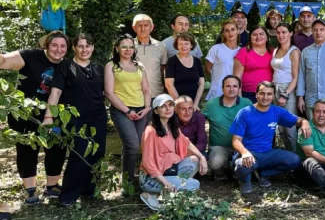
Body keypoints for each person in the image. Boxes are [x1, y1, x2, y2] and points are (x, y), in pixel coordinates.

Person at [0, 31, 69, 204]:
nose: (58, 50)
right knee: (26, 151)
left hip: (55, 115)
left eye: (63, 46)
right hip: (25, 115)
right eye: (54, 45)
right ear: (46, 45)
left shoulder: (67, 65)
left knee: (56, 149)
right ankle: (30, 191)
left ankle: (52, 187)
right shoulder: (30, 56)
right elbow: (5, 61)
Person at [45, 34, 106, 206]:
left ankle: (89, 189)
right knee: (79, 153)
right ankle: (69, 196)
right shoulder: (66, 66)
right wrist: (49, 116)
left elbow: (106, 92)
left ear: (93, 48)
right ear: (74, 48)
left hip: (98, 116)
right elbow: (55, 92)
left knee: (97, 152)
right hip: (74, 117)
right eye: (80, 46)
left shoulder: (98, 68)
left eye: (88, 46)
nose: (84, 49)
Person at [230, 81, 312, 194]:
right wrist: (244, 152)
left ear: (273, 96)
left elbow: (298, 120)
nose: (265, 97)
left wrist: (305, 123)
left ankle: (263, 174)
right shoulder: (244, 113)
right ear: (256, 94)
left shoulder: (276, 111)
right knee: (240, 166)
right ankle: (245, 181)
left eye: (269, 94)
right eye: (262, 93)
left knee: (294, 160)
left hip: (267, 154)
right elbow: (235, 140)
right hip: (249, 153)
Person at [138, 94, 208, 210]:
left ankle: (167, 193)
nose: (168, 109)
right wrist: (166, 183)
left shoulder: (172, 127)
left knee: (194, 160)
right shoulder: (151, 131)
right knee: (194, 185)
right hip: (151, 179)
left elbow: (186, 142)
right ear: (156, 110)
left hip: (168, 170)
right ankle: (152, 195)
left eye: (170, 105)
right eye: (163, 106)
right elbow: (147, 162)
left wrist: (202, 157)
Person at [104, 34, 152, 194]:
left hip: (141, 110)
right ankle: (128, 184)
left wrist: (147, 107)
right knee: (131, 145)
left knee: (133, 147)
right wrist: (127, 111)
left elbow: (146, 89)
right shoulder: (111, 66)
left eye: (131, 47)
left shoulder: (139, 66)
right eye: (124, 46)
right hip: (121, 110)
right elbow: (109, 93)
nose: (128, 50)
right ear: (117, 48)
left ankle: (131, 179)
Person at [202, 76, 253, 179]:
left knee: (243, 168)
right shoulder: (211, 104)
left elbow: (256, 123)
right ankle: (221, 173)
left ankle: (235, 170)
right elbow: (198, 120)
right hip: (219, 146)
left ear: (239, 88)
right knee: (216, 164)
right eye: (228, 86)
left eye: (235, 86)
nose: (231, 89)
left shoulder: (246, 103)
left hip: (242, 145)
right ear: (222, 88)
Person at [270, 22, 300, 151]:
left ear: (290, 33)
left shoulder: (294, 51)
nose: (281, 35)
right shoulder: (276, 50)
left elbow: (296, 76)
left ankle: (296, 158)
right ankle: (288, 156)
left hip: (288, 89)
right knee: (280, 126)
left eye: (284, 32)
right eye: (278, 32)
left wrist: (285, 94)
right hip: (275, 88)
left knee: (290, 127)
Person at [164, 33, 205, 111]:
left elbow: (202, 84)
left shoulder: (197, 61)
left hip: (195, 101)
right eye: (180, 44)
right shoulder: (172, 61)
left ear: (191, 45)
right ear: (177, 46)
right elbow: (169, 85)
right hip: (178, 101)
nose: (183, 46)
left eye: (186, 44)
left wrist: (195, 104)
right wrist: (180, 104)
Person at [233, 26, 274, 103]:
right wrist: (239, 96)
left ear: (266, 36)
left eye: (261, 34)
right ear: (250, 37)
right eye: (254, 34)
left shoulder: (273, 51)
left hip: (269, 93)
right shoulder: (243, 52)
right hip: (249, 94)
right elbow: (237, 77)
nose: (258, 37)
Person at [132, 14, 168, 101]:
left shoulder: (160, 46)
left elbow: (163, 70)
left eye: (146, 25)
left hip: (156, 93)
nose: (143, 28)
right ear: (134, 28)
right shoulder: (128, 46)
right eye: (139, 25)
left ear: (151, 27)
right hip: (134, 94)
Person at [204, 20, 241, 100]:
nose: (230, 33)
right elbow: (207, 69)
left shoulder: (242, 51)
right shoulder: (216, 48)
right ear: (224, 34)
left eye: (233, 29)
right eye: (226, 31)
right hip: (217, 92)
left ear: (238, 31)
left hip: (235, 93)